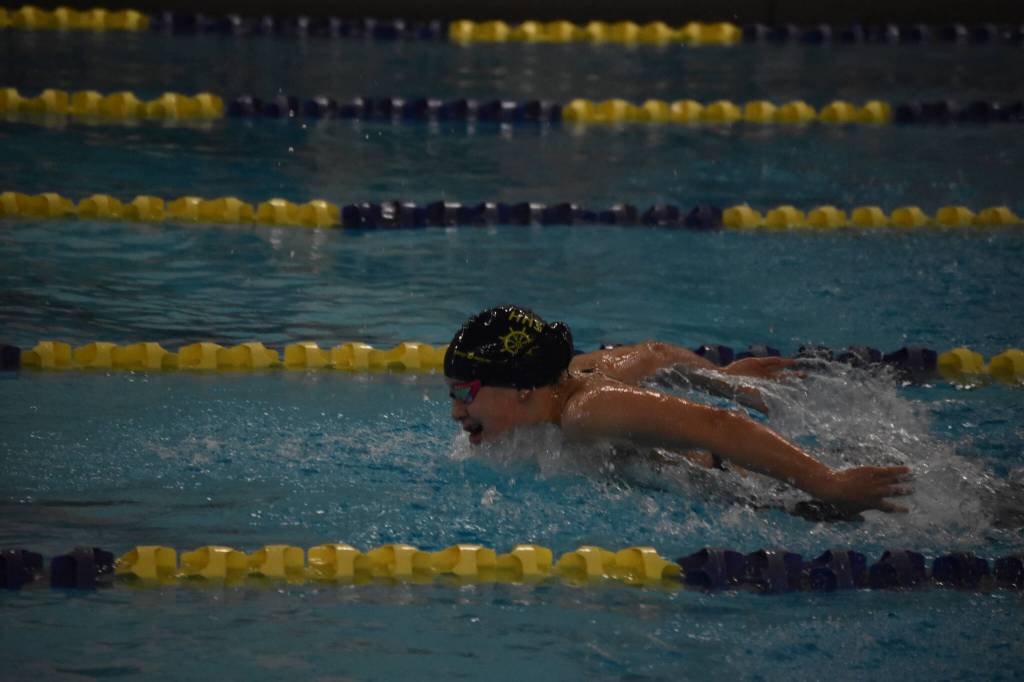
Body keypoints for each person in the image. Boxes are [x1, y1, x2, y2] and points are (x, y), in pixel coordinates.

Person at [444, 305, 911, 514]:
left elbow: (718, 425)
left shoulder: (586, 412)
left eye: (465, 393)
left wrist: (828, 483)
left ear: (521, 386)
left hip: (751, 485)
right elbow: (655, 353)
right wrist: (725, 379)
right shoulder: (569, 375)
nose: (456, 413)